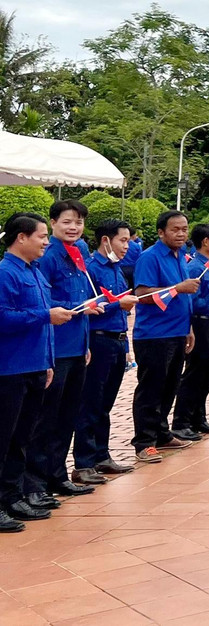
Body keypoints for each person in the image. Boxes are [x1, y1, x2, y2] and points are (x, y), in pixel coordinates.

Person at [30, 200, 98, 501]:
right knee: (47, 418)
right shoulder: (47, 255)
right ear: (54, 223)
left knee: (68, 415)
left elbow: (84, 296)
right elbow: (44, 304)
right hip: (55, 348)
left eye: (79, 222)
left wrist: (85, 345)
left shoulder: (80, 251)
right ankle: (37, 482)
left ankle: (57, 475)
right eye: (67, 222)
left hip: (76, 346)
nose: (74, 227)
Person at [0, 213, 63, 530]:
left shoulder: (35, 272)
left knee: (22, 438)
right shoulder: (4, 273)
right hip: (10, 369)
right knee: (3, 437)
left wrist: (48, 361)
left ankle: (12, 496)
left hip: (36, 366)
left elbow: (44, 326)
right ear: (21, 237)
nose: (46, 242)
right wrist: (44, 315)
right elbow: (3, 318)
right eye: (41, 236)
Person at [129, 211, 201, 464]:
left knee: (170, 385)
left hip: (178, 331)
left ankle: (161, 432)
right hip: (154, 335)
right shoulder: (149, 257)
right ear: (161, 232)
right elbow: (142, 294)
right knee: (151, 388)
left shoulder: (180, 256)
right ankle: (144, 441)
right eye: (175, 229)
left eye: (184, 229)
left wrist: (188, 328)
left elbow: (184, 299)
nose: (181, 234)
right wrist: (177, 288)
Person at [71, 219, 137, 485]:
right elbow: (89, 308)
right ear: (106, 240)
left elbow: (121, 311)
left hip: (117, 341)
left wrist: (127, 347)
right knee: (91, 402)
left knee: (106, 404)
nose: (127, 246)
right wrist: (117, 305)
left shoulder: (116, 269)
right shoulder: (90, 269)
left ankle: (101, 454)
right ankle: (84, 462)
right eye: (123, 240)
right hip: (98, 340)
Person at [170, 224, 209, 441]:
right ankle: (182, 421)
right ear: (205, 241)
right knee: (195, 373)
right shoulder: (196, 268)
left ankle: (198, 416)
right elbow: (193, 302)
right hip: (200, 324)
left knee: (208, 372)